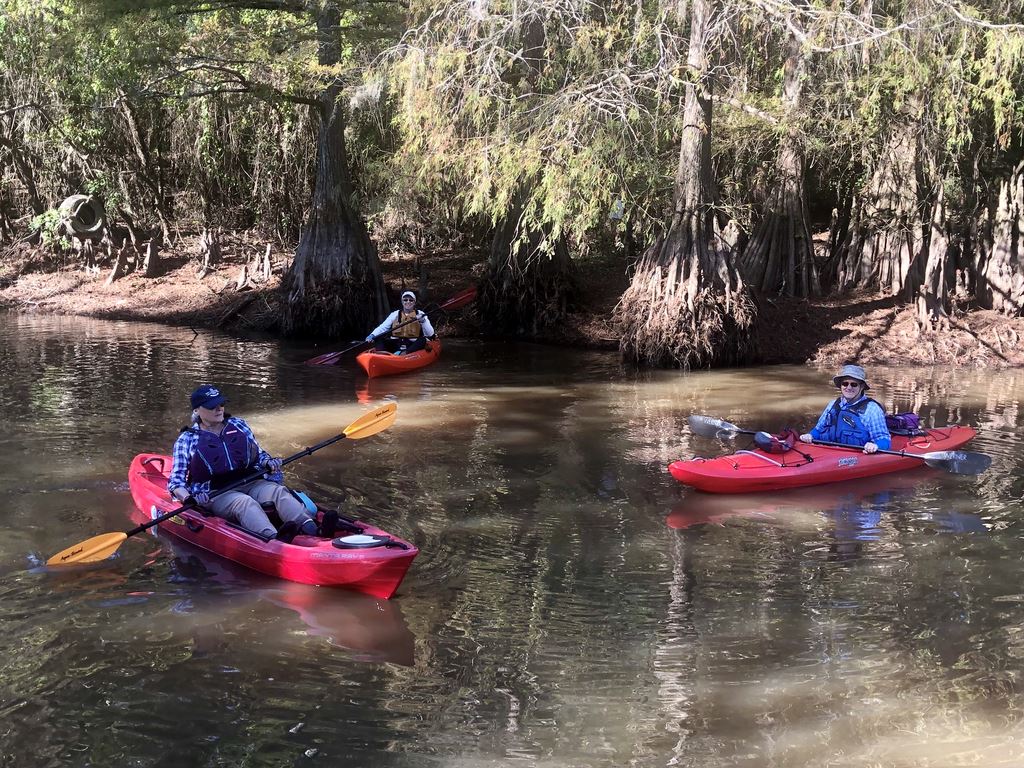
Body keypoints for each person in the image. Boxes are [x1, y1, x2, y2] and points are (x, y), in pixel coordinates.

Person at [167, 385, 319, 542]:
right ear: (197, 410)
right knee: (244, 503)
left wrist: (269, 462)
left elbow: (259, 454)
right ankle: (273, 540)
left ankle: (313, 529)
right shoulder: (187, 439)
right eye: (212, 406)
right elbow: (176, 482)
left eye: (221, 404)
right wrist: (189, 499)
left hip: (251, 481)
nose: (219, 409)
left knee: (277, 492)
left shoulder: (238, 425)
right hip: (217, 492)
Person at [799, 364, 891, 454]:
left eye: (854, 384)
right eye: (845, 384)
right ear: (841, 386)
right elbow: (818, 430)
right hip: (827, 454)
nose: (849, 387)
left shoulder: (872, 409)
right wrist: (810, 435)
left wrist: (875, 446)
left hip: (857, 457)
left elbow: (884, 439)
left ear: (862, 387)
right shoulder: (832, 405)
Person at [365, 290, 434, 354]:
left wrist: (423, 321)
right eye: (405, 300)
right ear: (402, 301)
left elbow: (430, 333)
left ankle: (404, 354)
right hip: (396, 343)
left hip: (411, 343)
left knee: (422, 340)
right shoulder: (395, 314)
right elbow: (383, 327)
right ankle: (381, 355)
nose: (408, 302)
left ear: (414, 302)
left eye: (411, 300)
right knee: (378, 337)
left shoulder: (420, 314)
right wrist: (372, 335)